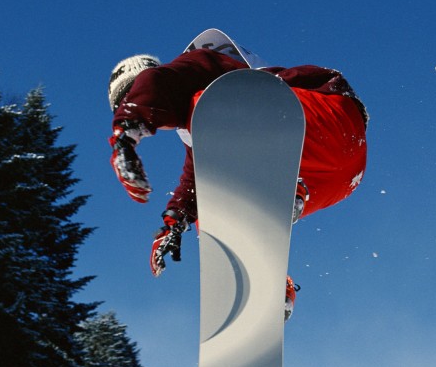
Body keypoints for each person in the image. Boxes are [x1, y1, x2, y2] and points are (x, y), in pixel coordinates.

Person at [106, 46, 369, 314]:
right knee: (212, 198)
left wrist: (126, 134)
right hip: (335, 174)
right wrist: (173, 221)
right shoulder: (204, 127)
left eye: (132, 97)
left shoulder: (193, 69)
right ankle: (264, 285)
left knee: (211, 105)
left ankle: (274, 190)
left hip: (326, 117)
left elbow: (159, 82)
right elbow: (195, 178)